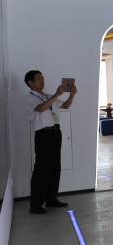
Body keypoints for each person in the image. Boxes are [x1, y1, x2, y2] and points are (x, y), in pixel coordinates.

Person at [24, 71, 77, 214]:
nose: (42, 81)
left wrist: (71, 95)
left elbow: (65, 106)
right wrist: (57, 95)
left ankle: (51, 199)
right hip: (43, 135)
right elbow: (41, 108)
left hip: (55, 133)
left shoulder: (47, 96)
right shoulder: (29, 98)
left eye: (42, 78)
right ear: (30, 82)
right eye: (38, 79)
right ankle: (35, 204)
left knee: (54, 167)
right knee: (42, 169)